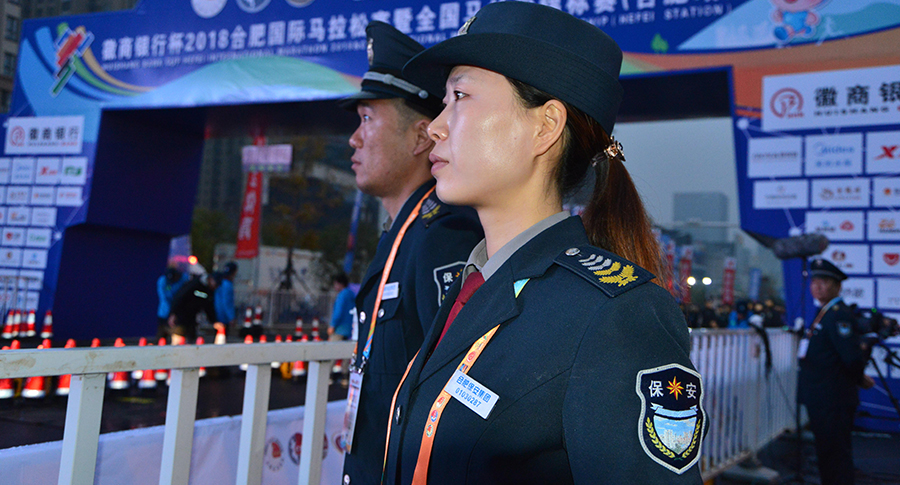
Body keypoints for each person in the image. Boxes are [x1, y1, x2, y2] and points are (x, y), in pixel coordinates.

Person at [382, 3, 705, 483]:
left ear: (545, 127)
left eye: (460, 96)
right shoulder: (472, 286)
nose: (435, 126)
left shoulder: (616, 316)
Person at [338, 21, 484, 485]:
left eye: (367, 119)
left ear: (422, 137)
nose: (354, 138)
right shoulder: (402, 233)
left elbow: (457, 398)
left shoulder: (443, 235)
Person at [798, 258, 871, 485]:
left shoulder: (838, 314)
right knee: (827, 452)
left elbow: (851, 358)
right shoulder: (825, 312)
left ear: (838, 286)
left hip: (833, 398)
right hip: (822, 397)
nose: (817, 287)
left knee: (835, 454)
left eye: (825, 282)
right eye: (815, 281)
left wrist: (859, 378)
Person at [169, 273, 221, 342]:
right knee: (178, 337)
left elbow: (208, 307)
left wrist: (213, 321)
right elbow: (180, 297)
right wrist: (173, 313)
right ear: (210, 279)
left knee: (191, 339)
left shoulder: (209, 291)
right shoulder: (195, 284)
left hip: (192, 318)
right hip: (181, 316)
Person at [329, 272, 355, 375]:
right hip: (349, 329)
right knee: (346, 354)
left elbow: (338, 312)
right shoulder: (351, 294)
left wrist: (332, 325)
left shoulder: (341, 295)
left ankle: (327, 374)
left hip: (339, 328)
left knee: (331, 352)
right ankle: (345, 375)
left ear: (340, 284)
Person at [156, 266, 188, 339]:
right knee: (161, 337)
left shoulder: (184, 279)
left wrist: (175, 313)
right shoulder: (162, 281)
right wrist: (171, 314)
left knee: (179, 337)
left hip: (180, 314)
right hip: (164, 314)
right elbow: (164, 299)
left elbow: (183, 298)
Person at [214, 262, 237, 328]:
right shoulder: (227, 285)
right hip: (224, 318)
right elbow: (227, 302)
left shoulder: (220, 282)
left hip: (217, 315)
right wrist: (231, 317)